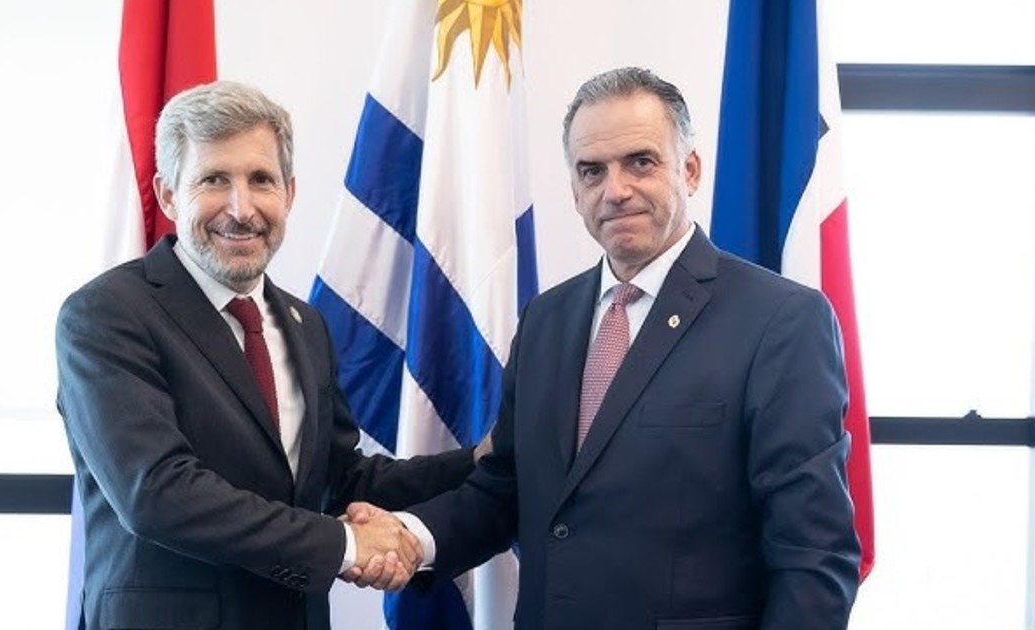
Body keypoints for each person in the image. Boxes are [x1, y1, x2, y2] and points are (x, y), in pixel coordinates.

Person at [348, 66, 861, 629]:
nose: (615, 190)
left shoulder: (781, 320)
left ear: (689, 170)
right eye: (592, 170)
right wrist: (410, 537)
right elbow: (504, 488)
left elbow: (814, 555)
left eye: (640, 162)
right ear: (575, 191)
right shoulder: (546, 320)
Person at [56, 80, 477, 630]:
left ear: (289, 193)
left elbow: (338, 479)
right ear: (168, 195)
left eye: (261, 180)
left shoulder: (306, 325)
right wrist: (349, 544)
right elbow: (157, 493)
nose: (242, 208)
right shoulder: (107, 314)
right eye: (214, 179)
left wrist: (477, 461)